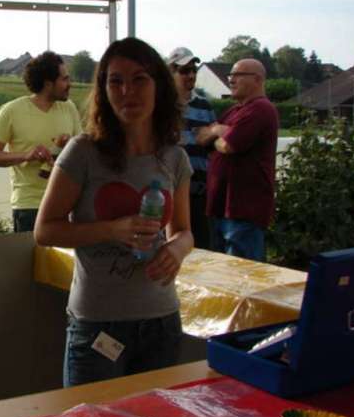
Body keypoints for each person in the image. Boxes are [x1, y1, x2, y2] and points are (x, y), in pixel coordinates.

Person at [35, 37, 193, 387]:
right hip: (97, 325)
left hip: (161, 321)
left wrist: (176, 250)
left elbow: (183, 230)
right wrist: (113, 229)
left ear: (159, 86)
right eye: (115, 81)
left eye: (139, 79)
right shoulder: (83, 152)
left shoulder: (174, 157)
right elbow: (45, 230)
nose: (127, 91)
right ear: (103, 89)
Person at [0, 51, 82, 232]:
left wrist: (70, 145)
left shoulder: (69, 108)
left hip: (66, 204)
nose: (70, 84)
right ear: (47, 84)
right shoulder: (11, 111)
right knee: (33, 260)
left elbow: (82, 153)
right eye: (64, 79)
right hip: (29, 206)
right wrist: (26, 155)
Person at [203, 58, 278, 261]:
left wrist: (217, 131)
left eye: (237, 75)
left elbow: (228, 145)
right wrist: (221, 132)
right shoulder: (234, 111)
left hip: (243, 210)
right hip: (222, 208)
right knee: (222, 275)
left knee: (242, 277)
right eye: (230, 75)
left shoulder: (261, 109)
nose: (231, 80)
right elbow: (203, 137)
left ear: (257, 79)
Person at [166, 47, 216, 250]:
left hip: (199, 193)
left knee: (200, 249)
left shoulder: (204, 105)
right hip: (168, 191)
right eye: (184, 71)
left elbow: (213, 144)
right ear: (171, 72)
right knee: (170, 248)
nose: (191, 75)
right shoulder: (161, 105)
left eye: (193, 70)